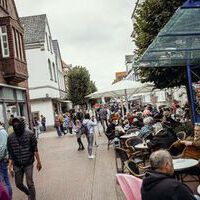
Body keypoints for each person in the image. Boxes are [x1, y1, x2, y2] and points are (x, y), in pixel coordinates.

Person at [7, 117, 42, 200]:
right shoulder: (10, 138)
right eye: (14, 124)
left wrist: (39, 162)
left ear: (21, 124)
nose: (16, 125)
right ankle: (28, 193)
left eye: (17, 123)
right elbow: (10, 153)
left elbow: (35, 149)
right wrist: (10, 166)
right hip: (17, 164)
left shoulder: (30, 134)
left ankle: (32, 198)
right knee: (18, 184)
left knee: (30, 183)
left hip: (28, 163)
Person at [0, 122, 12, 198]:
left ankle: (8, 197)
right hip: (2, 159)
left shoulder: (2, 132)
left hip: (2, 159)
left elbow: (3, 147)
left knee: (5, 181)